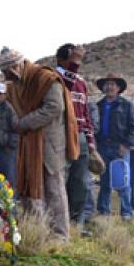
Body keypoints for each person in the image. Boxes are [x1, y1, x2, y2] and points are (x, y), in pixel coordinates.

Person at [0, 47, 78, 239]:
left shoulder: (45, 79)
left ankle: (59, 236)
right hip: (28, 143)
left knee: (54, 189)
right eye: (4, 72)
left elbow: (54, 107)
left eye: (9, 71)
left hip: (49, 143)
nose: (7, 76)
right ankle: (35, 234)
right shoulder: (14, 85)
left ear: (18, 65)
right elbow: (13, 109)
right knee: (29, 188)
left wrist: (24, 123)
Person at [55, 44, 98, 226]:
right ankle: (59, 223)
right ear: (62, 60)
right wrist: (74, 64)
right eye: (72, 59)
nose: (76, 63)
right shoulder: (53, 77)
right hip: (61, 135)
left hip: (79, 135)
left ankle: (76, 223)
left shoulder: (80, 82)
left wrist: (90, 141)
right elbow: (65, 87)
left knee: (80, 182)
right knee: (60, 180)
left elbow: (85, 113)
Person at [94, 73, 134, 221]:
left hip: (120, 147)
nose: (109, 87)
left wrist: (126, 145)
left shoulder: (127, 105)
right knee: (104, 180)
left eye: (113, 84)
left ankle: (126, 212)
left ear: (118, 88)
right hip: (102, 146)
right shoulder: (98, 106)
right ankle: (103, 212)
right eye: (107, 84)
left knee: (122, 180)